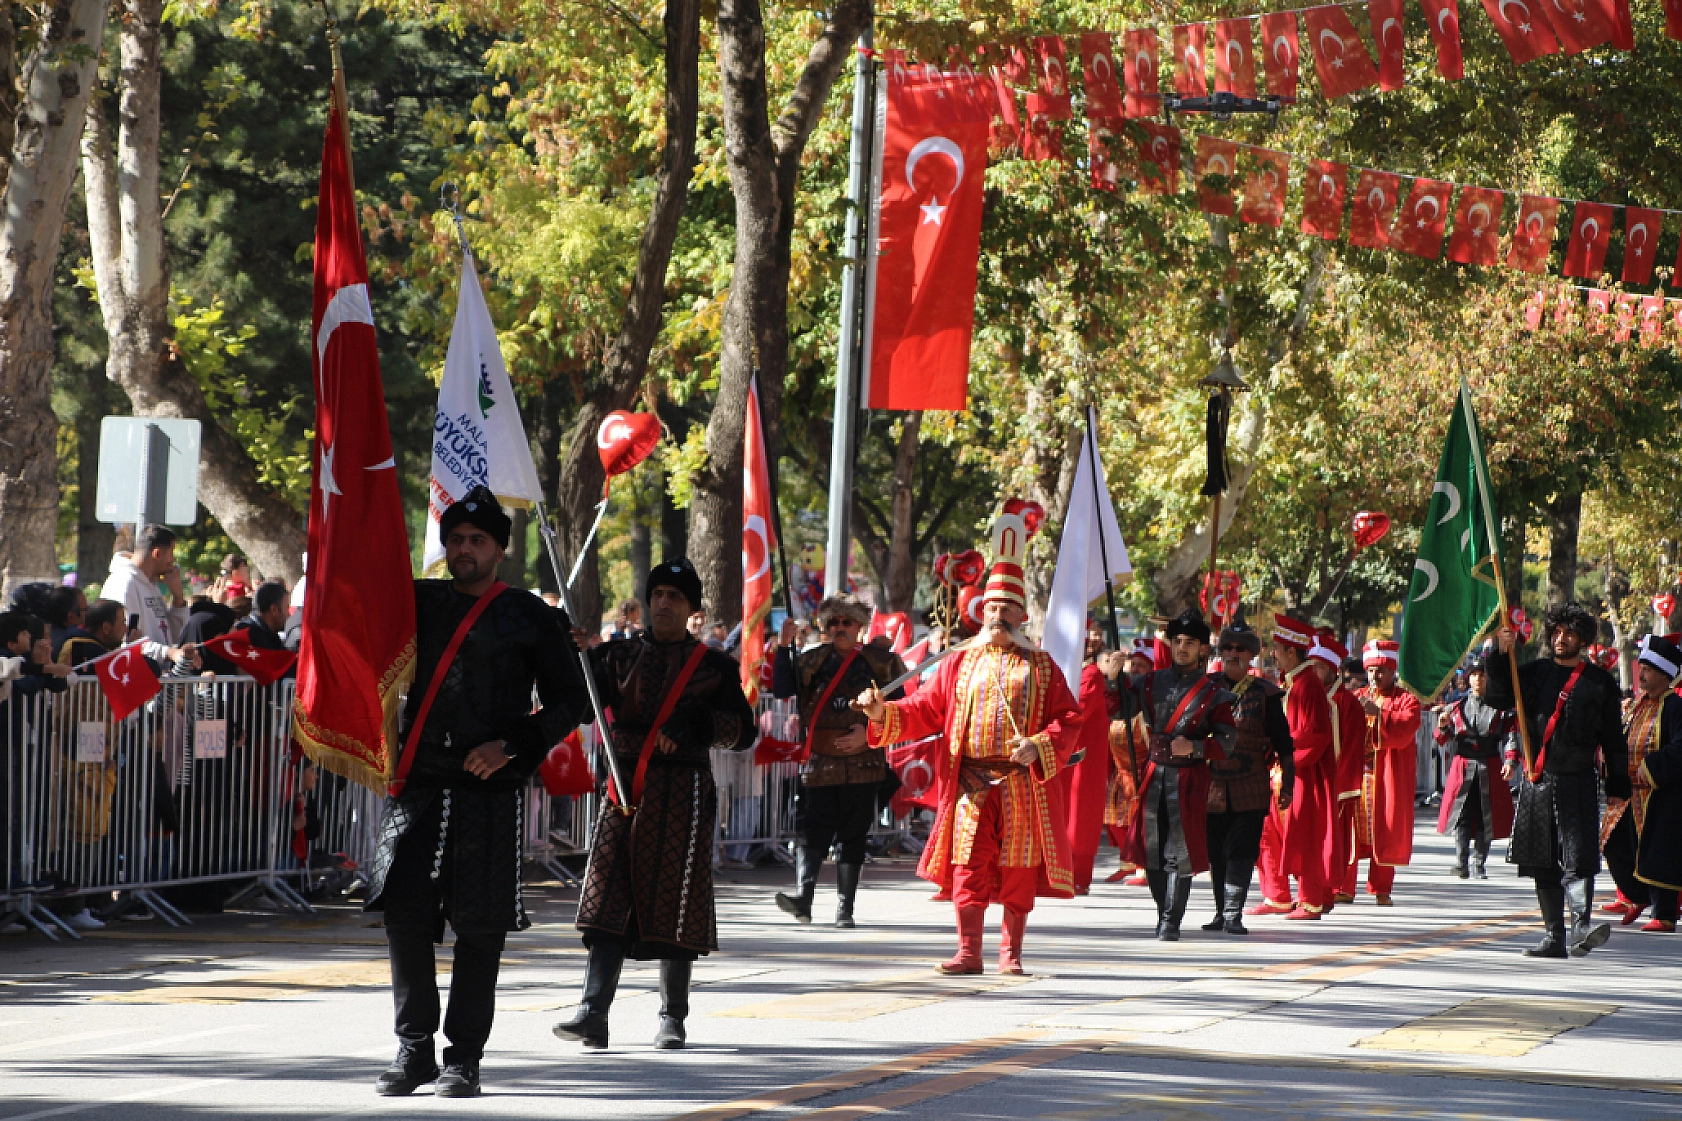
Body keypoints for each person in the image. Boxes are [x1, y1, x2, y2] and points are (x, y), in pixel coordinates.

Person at [366, 487, 589, 1098]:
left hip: (488, 785)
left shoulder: (529, 615)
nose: (465, 549)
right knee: (405, 917)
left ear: (498, 549)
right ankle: (413, 1051)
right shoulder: (417, 600)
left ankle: (465, 1057)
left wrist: (511, 746)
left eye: (478, 540)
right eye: (457, 538)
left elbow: (571, 699)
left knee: (480, 925)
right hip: (418, 781)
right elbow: (359, 617)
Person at [856, 534, 1078, 976]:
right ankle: (968, 951)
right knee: (967, 865)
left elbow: (1069, 718)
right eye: (991, 607)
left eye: (1006, 608)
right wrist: (883, 712)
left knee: (1017, 868)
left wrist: (1038, 745)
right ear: (982, 612)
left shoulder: (1043, 666)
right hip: (969, 783)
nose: (998, 614)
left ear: (1022, 615)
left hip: (1018, 784)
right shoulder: (959, 662)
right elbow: (926, 708)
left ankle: (1010, 954)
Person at [558, 558, 756, 1051]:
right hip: (622, 791)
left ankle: (672, 1017)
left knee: (675, 900)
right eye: (658, 594)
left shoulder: (714, 667)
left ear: (692, 607)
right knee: (606, 900)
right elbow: (581, 708)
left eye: (675, 596)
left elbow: (743, 733)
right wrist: (570, 662)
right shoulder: (615, 657)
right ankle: (593, 1012)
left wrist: (700, 724)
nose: (664, 603)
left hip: (681, 794)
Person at [1488, 602, 1629, 959]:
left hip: (1579, 779)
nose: (1560, 639)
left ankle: (1581, 927)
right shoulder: (1533, 673)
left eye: (1569, 633)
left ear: (1582, 639)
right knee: (1541, 859)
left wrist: (1618, 784)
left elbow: (1613, 739)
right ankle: (1553, 937)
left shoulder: (1600, 683)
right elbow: (1498, 696)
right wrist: (1498, 653)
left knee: (1579, 856)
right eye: (1556, 632)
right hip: (1538, 779)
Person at [771, 595, 906, 926]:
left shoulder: (882, 662)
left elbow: (903, 708)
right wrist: (783, 647)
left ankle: (845, 909)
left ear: (859, 626)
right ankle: (803, 898)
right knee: (810, 830)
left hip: (864, 761)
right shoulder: (809, 660)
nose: (840, 628)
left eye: (847, 622)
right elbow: (781, 689)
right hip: (820, 760)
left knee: (853, 833)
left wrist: (869, 732)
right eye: (833, 623)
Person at [1113, 608, 1235, 940]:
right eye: (1177, 641)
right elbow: (1118, 710)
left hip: (1189, 779)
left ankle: (1171, 920)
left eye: (1190, 643)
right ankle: (1161, 911)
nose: (1182, 648)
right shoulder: (1149, 682)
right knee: (1151, 852)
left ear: (1203, 649)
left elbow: (1226, 742)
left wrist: (1195, 749)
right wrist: (1114, 679)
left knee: (1177, 852)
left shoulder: (1214, 693)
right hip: (1154, 774)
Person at [1201, 624, 1292, 935]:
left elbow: (1284, 743)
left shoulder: (1265, 694)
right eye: (1228, 648)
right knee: (1216, 852)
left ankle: (1233, 913)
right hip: (1212, 784)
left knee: (1242, 850)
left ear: (1252, 655)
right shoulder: (1207, 688)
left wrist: (1289, 784)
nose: (1233, 654)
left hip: (1251, 784)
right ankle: (1219, 913)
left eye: (1240, 649)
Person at [1250, 615, 1337, 921]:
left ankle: (1310, 900)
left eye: (1277, 648)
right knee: (1269, 833)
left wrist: (1286, 757)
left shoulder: (1308, 684)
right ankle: (1277, 895)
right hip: (1281, 773)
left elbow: (1317, 735)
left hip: (1300, 776)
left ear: (1290, 651)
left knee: (1303, 835)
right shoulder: (1294, 683)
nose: (1273, 654)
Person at [1603, 635, 1682, 932]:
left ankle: (1664, 914)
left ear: (1663, 673)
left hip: (1661, 794)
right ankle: (1636, 896)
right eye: (1642, 667)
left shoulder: (1675, 707)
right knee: (1614, 844)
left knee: (1659, 852)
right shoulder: (1637, 705)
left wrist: (1650, 770)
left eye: (1648, 668)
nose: (1642, 672)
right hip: (1630, 792)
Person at [1346, 639, 1420, 905]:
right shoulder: (1356, 696)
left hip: (1385, 776)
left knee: (1384, 830)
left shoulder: (1406, 699)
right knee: (1350, 830)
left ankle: (1381, 888)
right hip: (1356, 775)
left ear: (1392, 672)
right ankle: (1344, 886)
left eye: (1381, 670)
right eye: (1371, 670)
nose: (1375, 676)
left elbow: (1407, 725)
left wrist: (1379, 714)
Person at [1434, 655, 1515, 879]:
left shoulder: (1501, 709)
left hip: (1489, 764)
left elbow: (1511, 735)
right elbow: (1443, 739)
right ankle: (1461, 863)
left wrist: (1510, 761)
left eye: (1483, 675)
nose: (1479, 679)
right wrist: (1442, 726)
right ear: (1468, 679)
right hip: (1463, 765)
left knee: (1484, 815)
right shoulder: (1456, 708)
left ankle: (1479, 864)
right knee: (1461, 815)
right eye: (1475, 675)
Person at [1313, 635, 1367, 910]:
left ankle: (1331, 889)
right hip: (1310, 781)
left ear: (1332, 670)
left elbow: (1353, 747)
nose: (1313, 673)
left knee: (1335, 841)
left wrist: (1344, 786)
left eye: (1319, 668)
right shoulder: (1309, 697)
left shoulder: (1346, 703)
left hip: (1335, 784)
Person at [1063, 621, 1117, 895]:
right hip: (1066, 755)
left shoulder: (1091, 675)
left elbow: (1078, 710)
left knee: (1081, 816)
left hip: (1082, 758)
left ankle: (1077, 875)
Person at [101, 524, 199, 670]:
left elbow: (173, 635)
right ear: (157, 554)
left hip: (159, 677)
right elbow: (126, 640)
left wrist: (178, 596)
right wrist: (169, 652)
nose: (173, 560)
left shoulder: (152, 584)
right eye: (171, 553)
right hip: (136, 676)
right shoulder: (123, 583)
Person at [59, 601, 125, 670]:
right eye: (122, 623)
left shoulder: (78, 641)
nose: (126, 629)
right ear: (106, 628)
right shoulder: (90, 651)